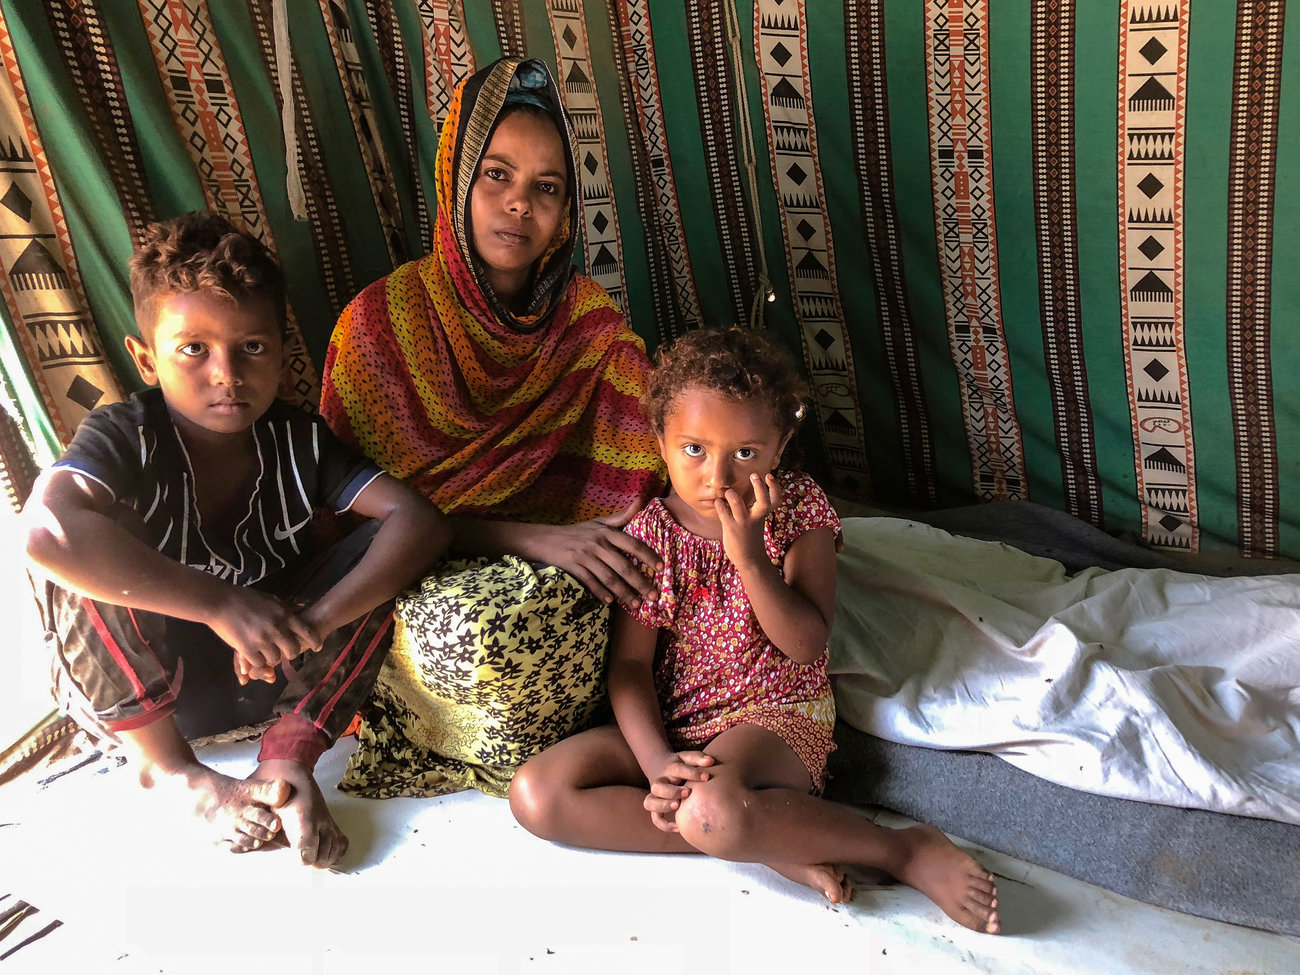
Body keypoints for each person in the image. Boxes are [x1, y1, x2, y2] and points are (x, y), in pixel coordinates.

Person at [508, 326, 1002, 935]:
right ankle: (768, 842)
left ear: (780, 446)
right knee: (538, 794)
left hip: (774, 716)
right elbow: (631, 669)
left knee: (709, 807)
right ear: (661, 441)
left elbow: (805, 644)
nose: (717, 476)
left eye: (744, 453)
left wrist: (748, 558)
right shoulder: (653, 533)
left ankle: (902, 849)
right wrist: (658, 761)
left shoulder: (798, 510)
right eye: (694, 449)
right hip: (680, 724)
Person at [22, 211, 450, 868]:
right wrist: (220, 604)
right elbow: (45, 534)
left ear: (281, 349)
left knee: (386, 553)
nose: (226, 373)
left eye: (251, 347)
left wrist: (310, 623)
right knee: (81, 546)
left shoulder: (300, 440)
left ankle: (288, 762)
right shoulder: (124, 435)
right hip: (152, 693)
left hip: (270, 673)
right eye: (194, 349)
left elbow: (419, 521)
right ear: (146, 358)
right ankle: (173, 773)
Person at [318, 57, 666, 797]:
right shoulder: (380, 325)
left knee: (655, 571)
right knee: (489, 632)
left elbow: (646, 466)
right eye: (496, 175)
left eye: (547, 187)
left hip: (566, 562)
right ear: (455, 180)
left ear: (568, 208)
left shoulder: (587, 321)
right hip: (417, 575)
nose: (519, 204)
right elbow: (348, 522)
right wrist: (530, 538)